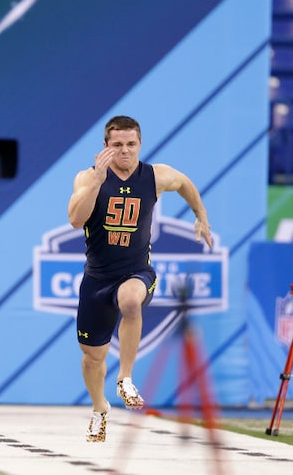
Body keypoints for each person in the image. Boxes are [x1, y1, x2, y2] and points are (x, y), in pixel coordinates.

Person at [67, 115, 213, 443]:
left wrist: (201, 215)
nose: (125, 151)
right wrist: (96, 181)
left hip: (137, 271)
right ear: (105, 147)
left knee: (131, 300)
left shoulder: (155, 175)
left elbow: (185, 184)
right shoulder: (87, 178)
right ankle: (99, 407)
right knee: (92, 357)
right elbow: (76, 219)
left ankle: (126, 378)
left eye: (131, 144)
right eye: (117, 145)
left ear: (140, 144)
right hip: (97, 278)